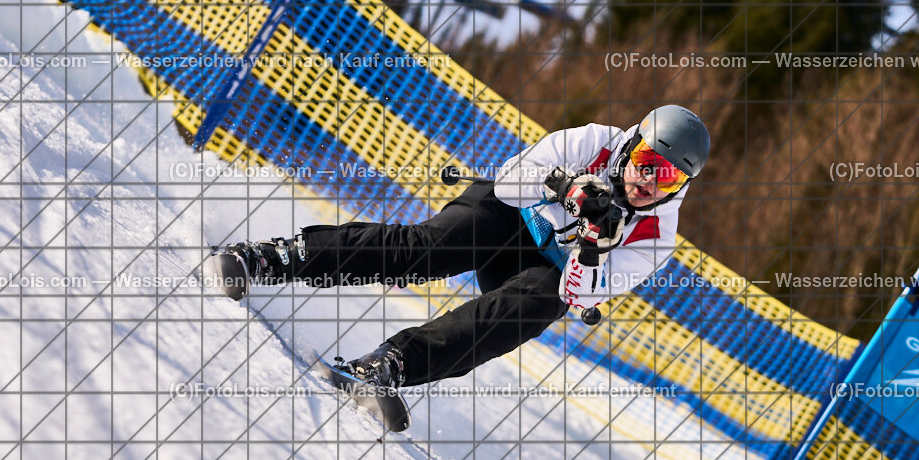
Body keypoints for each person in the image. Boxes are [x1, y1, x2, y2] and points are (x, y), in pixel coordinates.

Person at [217, 105, 710, 388]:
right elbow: (510, 184)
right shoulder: (594, 141)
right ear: (631, 146)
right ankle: (275, 258)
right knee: (427, 249)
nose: (649, 182)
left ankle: (394, 364)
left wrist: (594, 248)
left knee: (534, 307)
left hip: (543, 271)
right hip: (509, 216)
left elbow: (579, 295)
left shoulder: (656, 235)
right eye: (647, 162)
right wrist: (566, 188)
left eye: (668, 178)